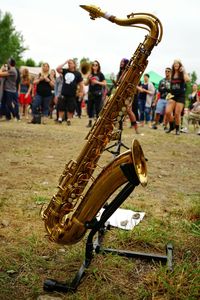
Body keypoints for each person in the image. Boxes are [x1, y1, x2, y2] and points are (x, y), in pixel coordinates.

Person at [165, 59, 190, 135]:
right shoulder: (172, 73)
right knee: (168, 112)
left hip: (181, 96)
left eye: (177, 63)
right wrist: (169, 94)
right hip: (172, 95)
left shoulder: (182, 73)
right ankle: (172, 125)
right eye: (175, 63)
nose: (176, 65)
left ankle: (177, 128)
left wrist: (184, 71)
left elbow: (188, 80)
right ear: (173, 65)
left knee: (177, 113)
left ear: (180, 65)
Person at [56, 59, 84, 125]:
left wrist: (81, 92)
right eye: (68, 63)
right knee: (61, 106)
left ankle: (69, 120)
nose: (69, 64)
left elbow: (81, 84)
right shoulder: (65, 71)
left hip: (72, 94)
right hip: (64, 92)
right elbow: (57, 69)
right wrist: (64, 62)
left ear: (74, 65)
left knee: (71, 108)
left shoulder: (78, 73)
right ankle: (60, 119)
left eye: (70, 63)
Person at [86, 60, 107, 127]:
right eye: (93, 65)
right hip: (90, 93)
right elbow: (85, 84)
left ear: (98, 66)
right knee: (89, 108)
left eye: (96, 65)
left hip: (98, 93)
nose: (94, 66)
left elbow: (105, 83)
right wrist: (88, 79)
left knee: (98, 108)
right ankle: (90, 122)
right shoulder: (90, 74)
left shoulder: (100, 74)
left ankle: (97, 123)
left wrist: (97, 82)